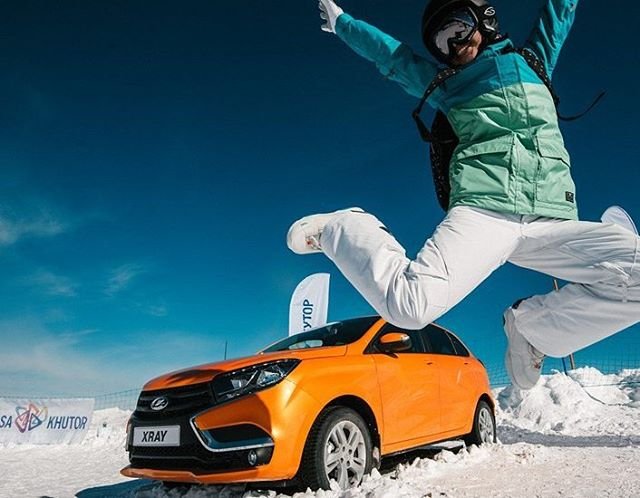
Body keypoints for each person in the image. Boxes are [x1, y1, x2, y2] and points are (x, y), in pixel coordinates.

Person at [287, 0, 640, 390]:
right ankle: (343, 228)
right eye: (440, 42)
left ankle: (533, 329)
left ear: (484, 21)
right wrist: (344, 24)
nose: (452, 45)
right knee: (409, 307)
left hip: (550, 217)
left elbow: (558, 12)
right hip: (484, 210)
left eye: (456, 29)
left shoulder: (534, 63)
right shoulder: (448, 86)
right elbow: (395, 57)